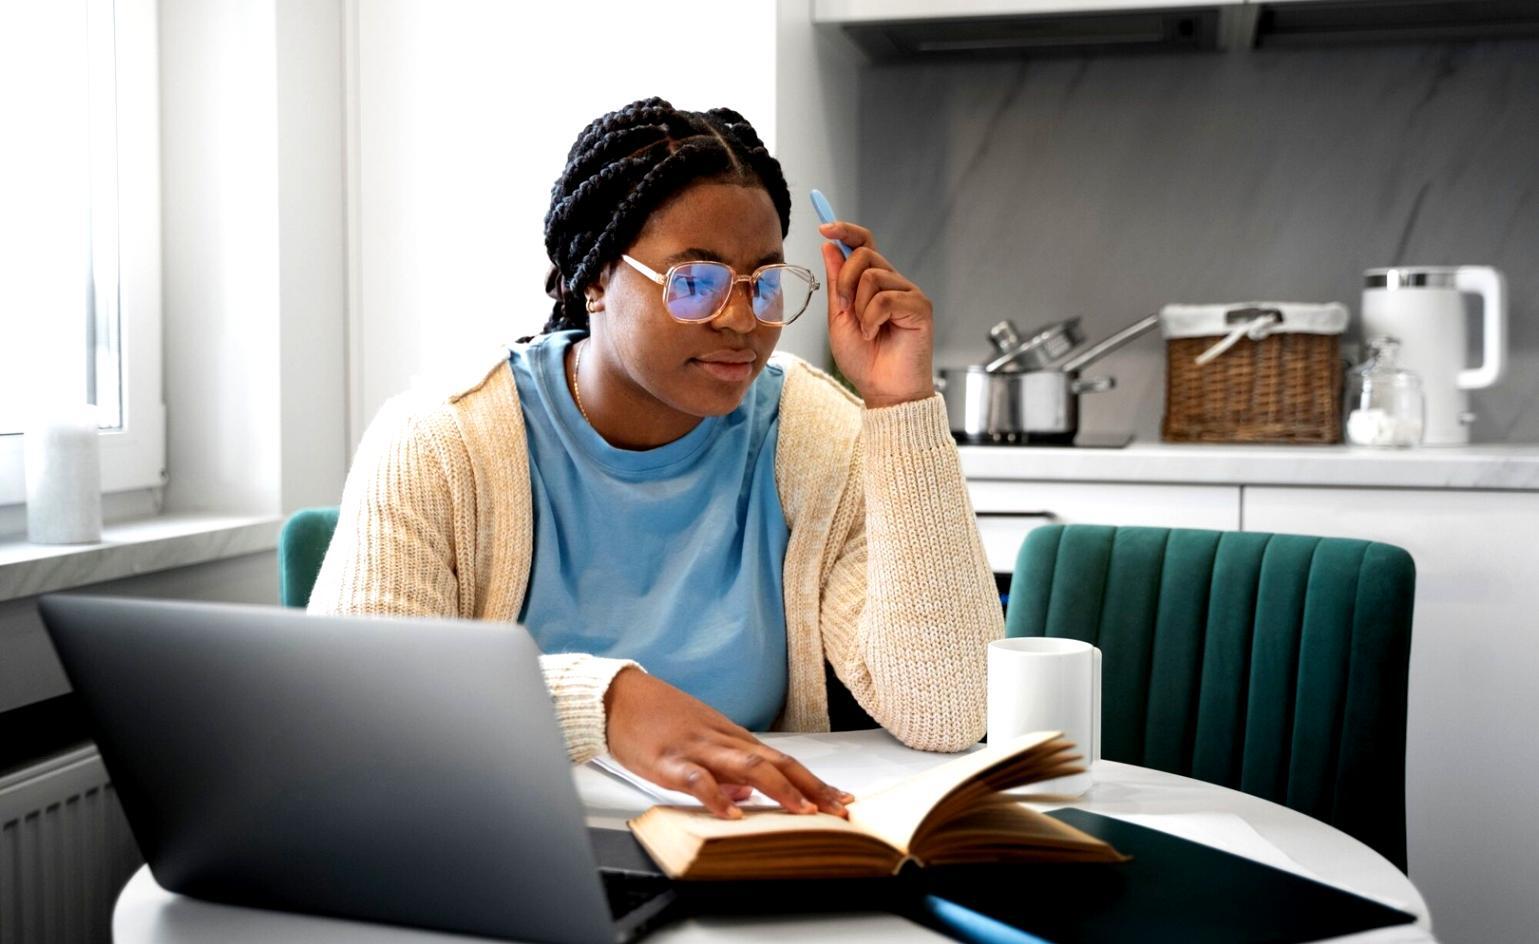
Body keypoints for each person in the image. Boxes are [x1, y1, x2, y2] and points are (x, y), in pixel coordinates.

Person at [309, 98, 1002, 821]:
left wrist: (900, 404)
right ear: (595, 277)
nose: (741, 320)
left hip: (741, 845)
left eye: (764, 283)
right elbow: (354, 708)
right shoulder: (440, 441)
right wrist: (603, 703)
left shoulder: (814, 437)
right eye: (695, 282)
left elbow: (950, 709)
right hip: (508, 842)